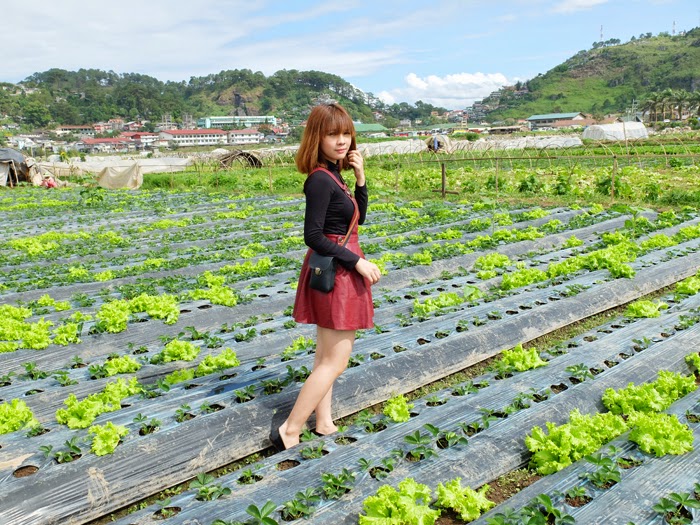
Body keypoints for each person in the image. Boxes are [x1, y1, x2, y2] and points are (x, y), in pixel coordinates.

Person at [271, 102, 381, 450]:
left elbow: (356, 220)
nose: (341, 141)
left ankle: (324, 421)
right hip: (338, 271)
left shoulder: (335, 176)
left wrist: (361, 180)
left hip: (337, 269)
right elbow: (313, 235)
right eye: (333, 134)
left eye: (346, 133)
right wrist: (357, 262)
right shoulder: (320, 180)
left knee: (325, 356)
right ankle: (290, 428)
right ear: (317, 138)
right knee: (336, 360)